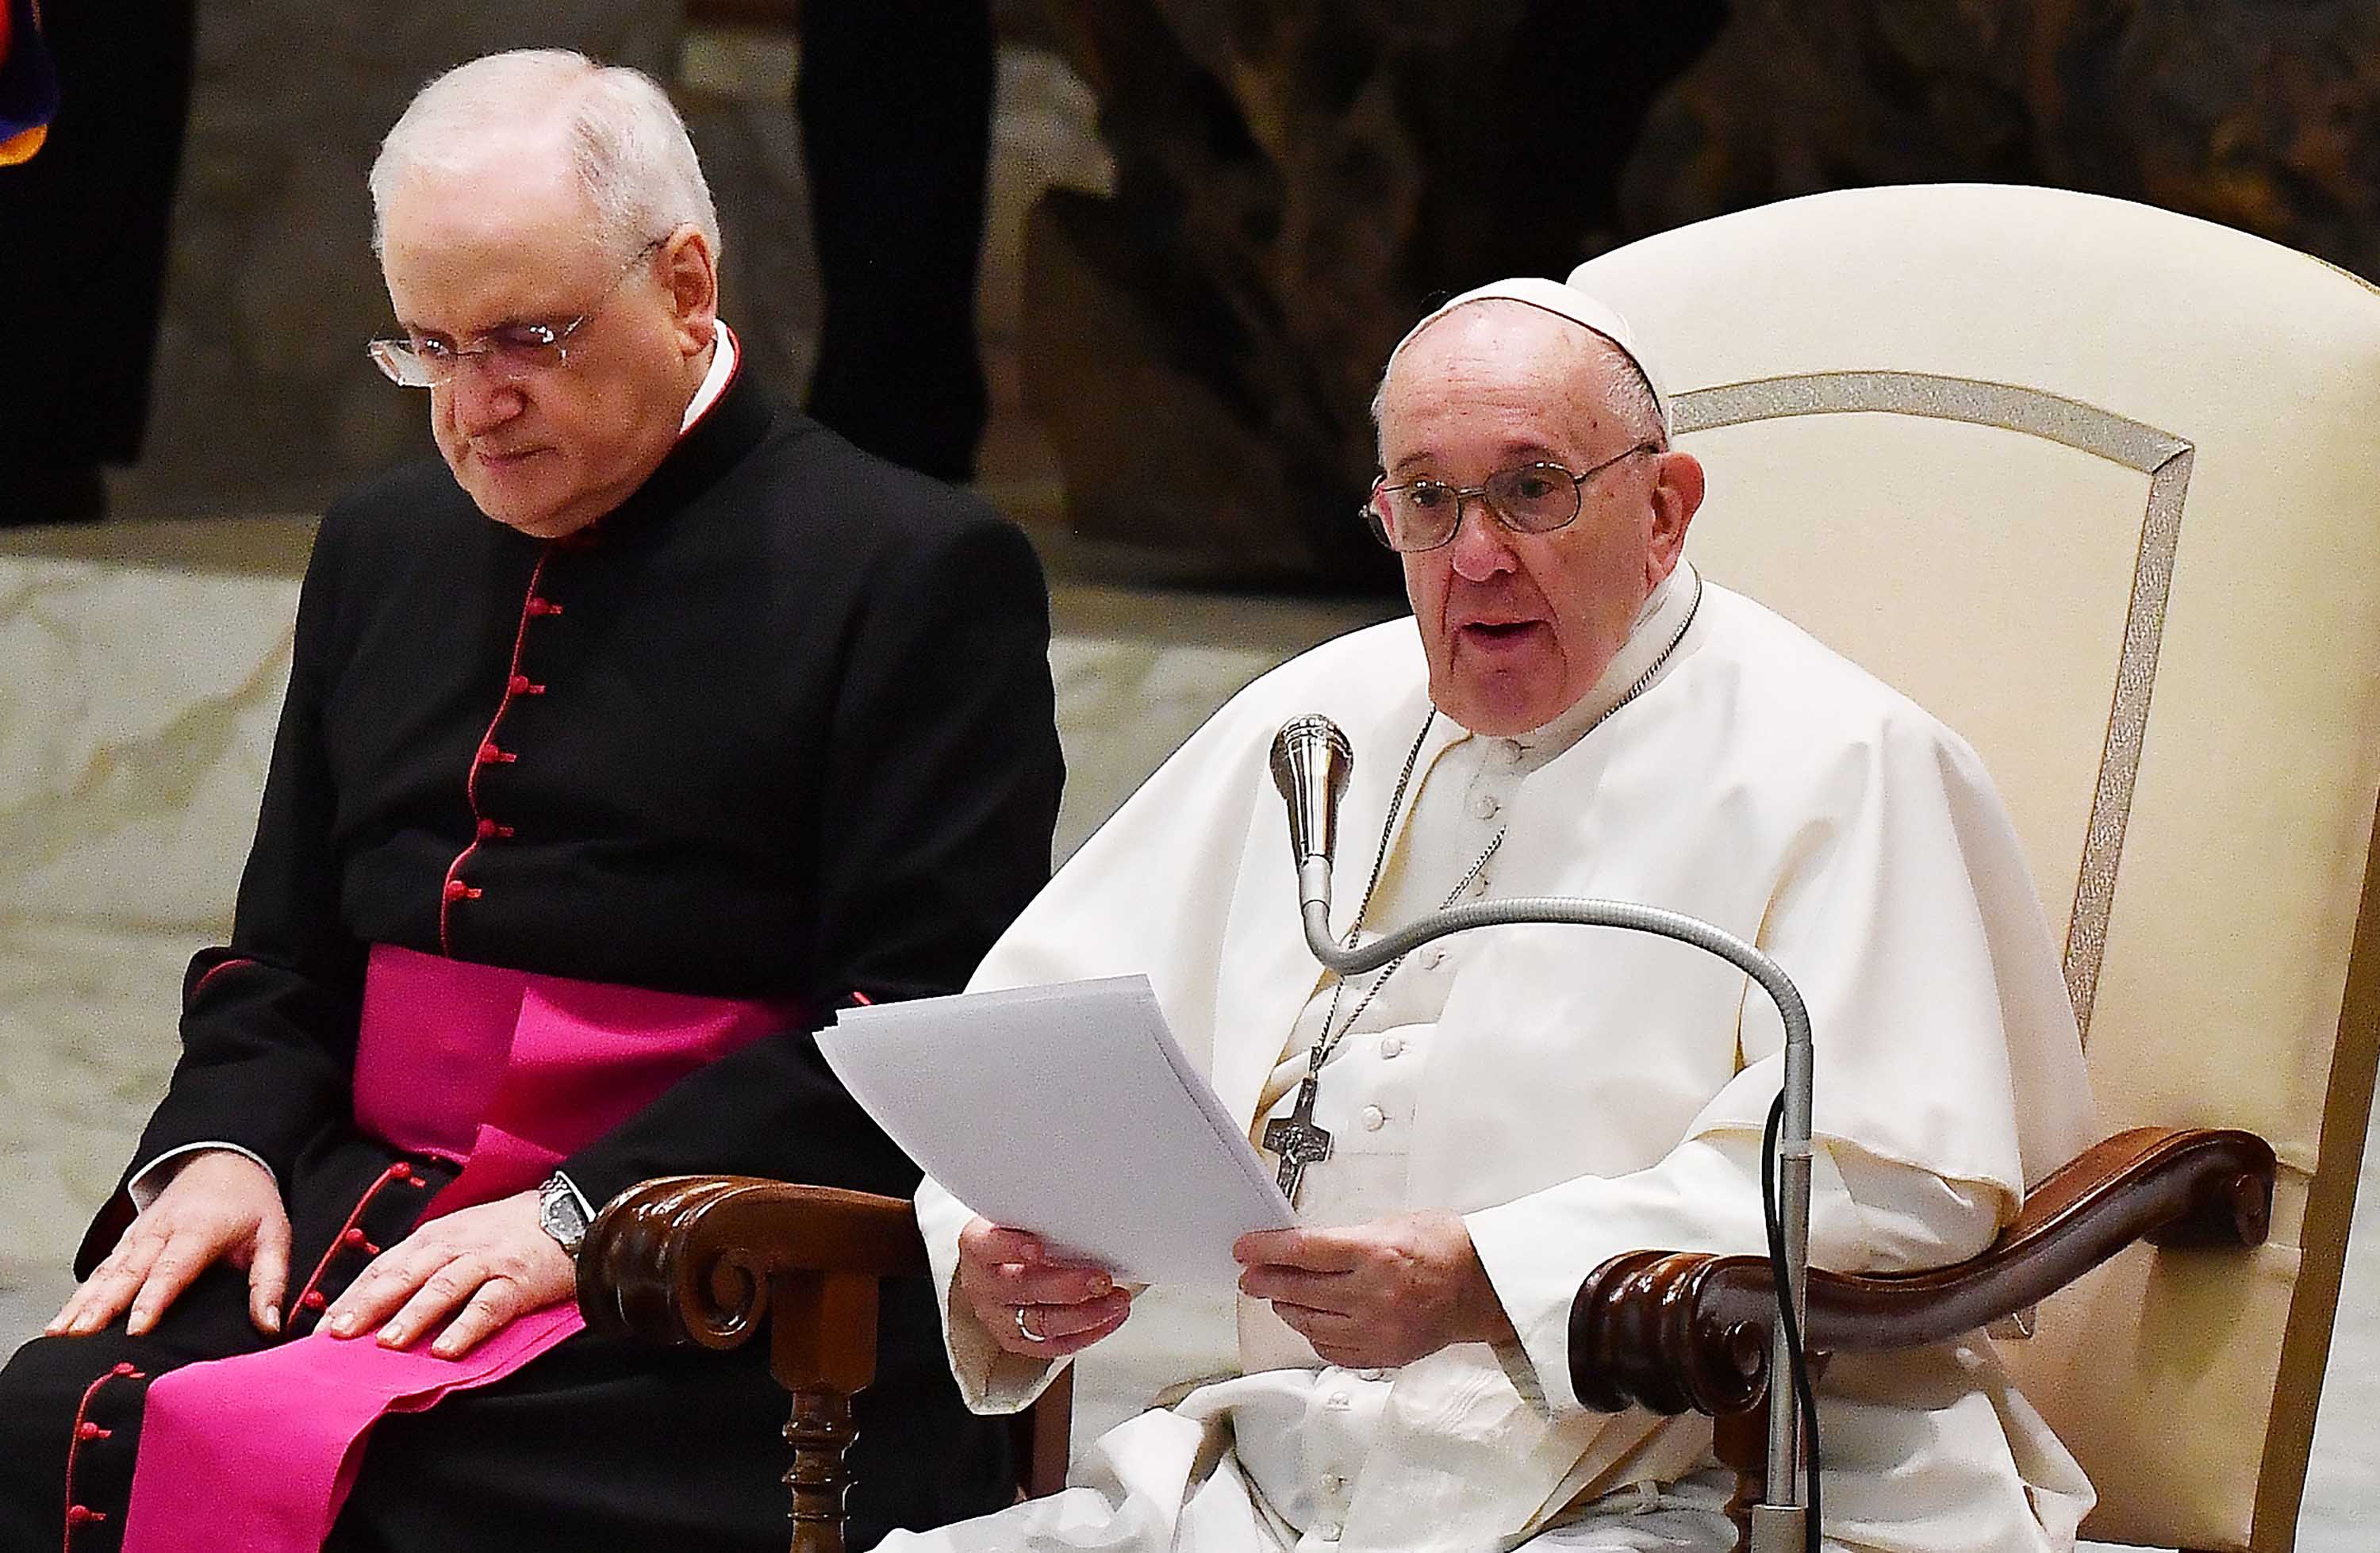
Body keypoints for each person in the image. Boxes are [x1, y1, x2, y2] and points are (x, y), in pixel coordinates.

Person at [0, 48, 1062, 1553]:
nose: (472, 410)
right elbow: (278, 958)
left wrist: (582, 1211)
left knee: (401, 1489)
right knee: (55, 1417)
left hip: (710, 1274)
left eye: (523, 341)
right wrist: (222, 1145)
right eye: (426, 346)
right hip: (373, 1220)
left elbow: (913, 1029)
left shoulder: (913, 573)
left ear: (687, 284)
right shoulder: (381, 544)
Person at [885, 279, 2099, 1551]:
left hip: (1703, 1478)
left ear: (1665, 511)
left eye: (1532, 489)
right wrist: (997, 1247)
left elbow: (1897, 1183)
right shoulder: (1318, 724)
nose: (1474, 556)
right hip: (1297, 1468)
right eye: (1425, 498)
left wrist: (1487, 1277)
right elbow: (1024, 1052)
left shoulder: (1845, 761)